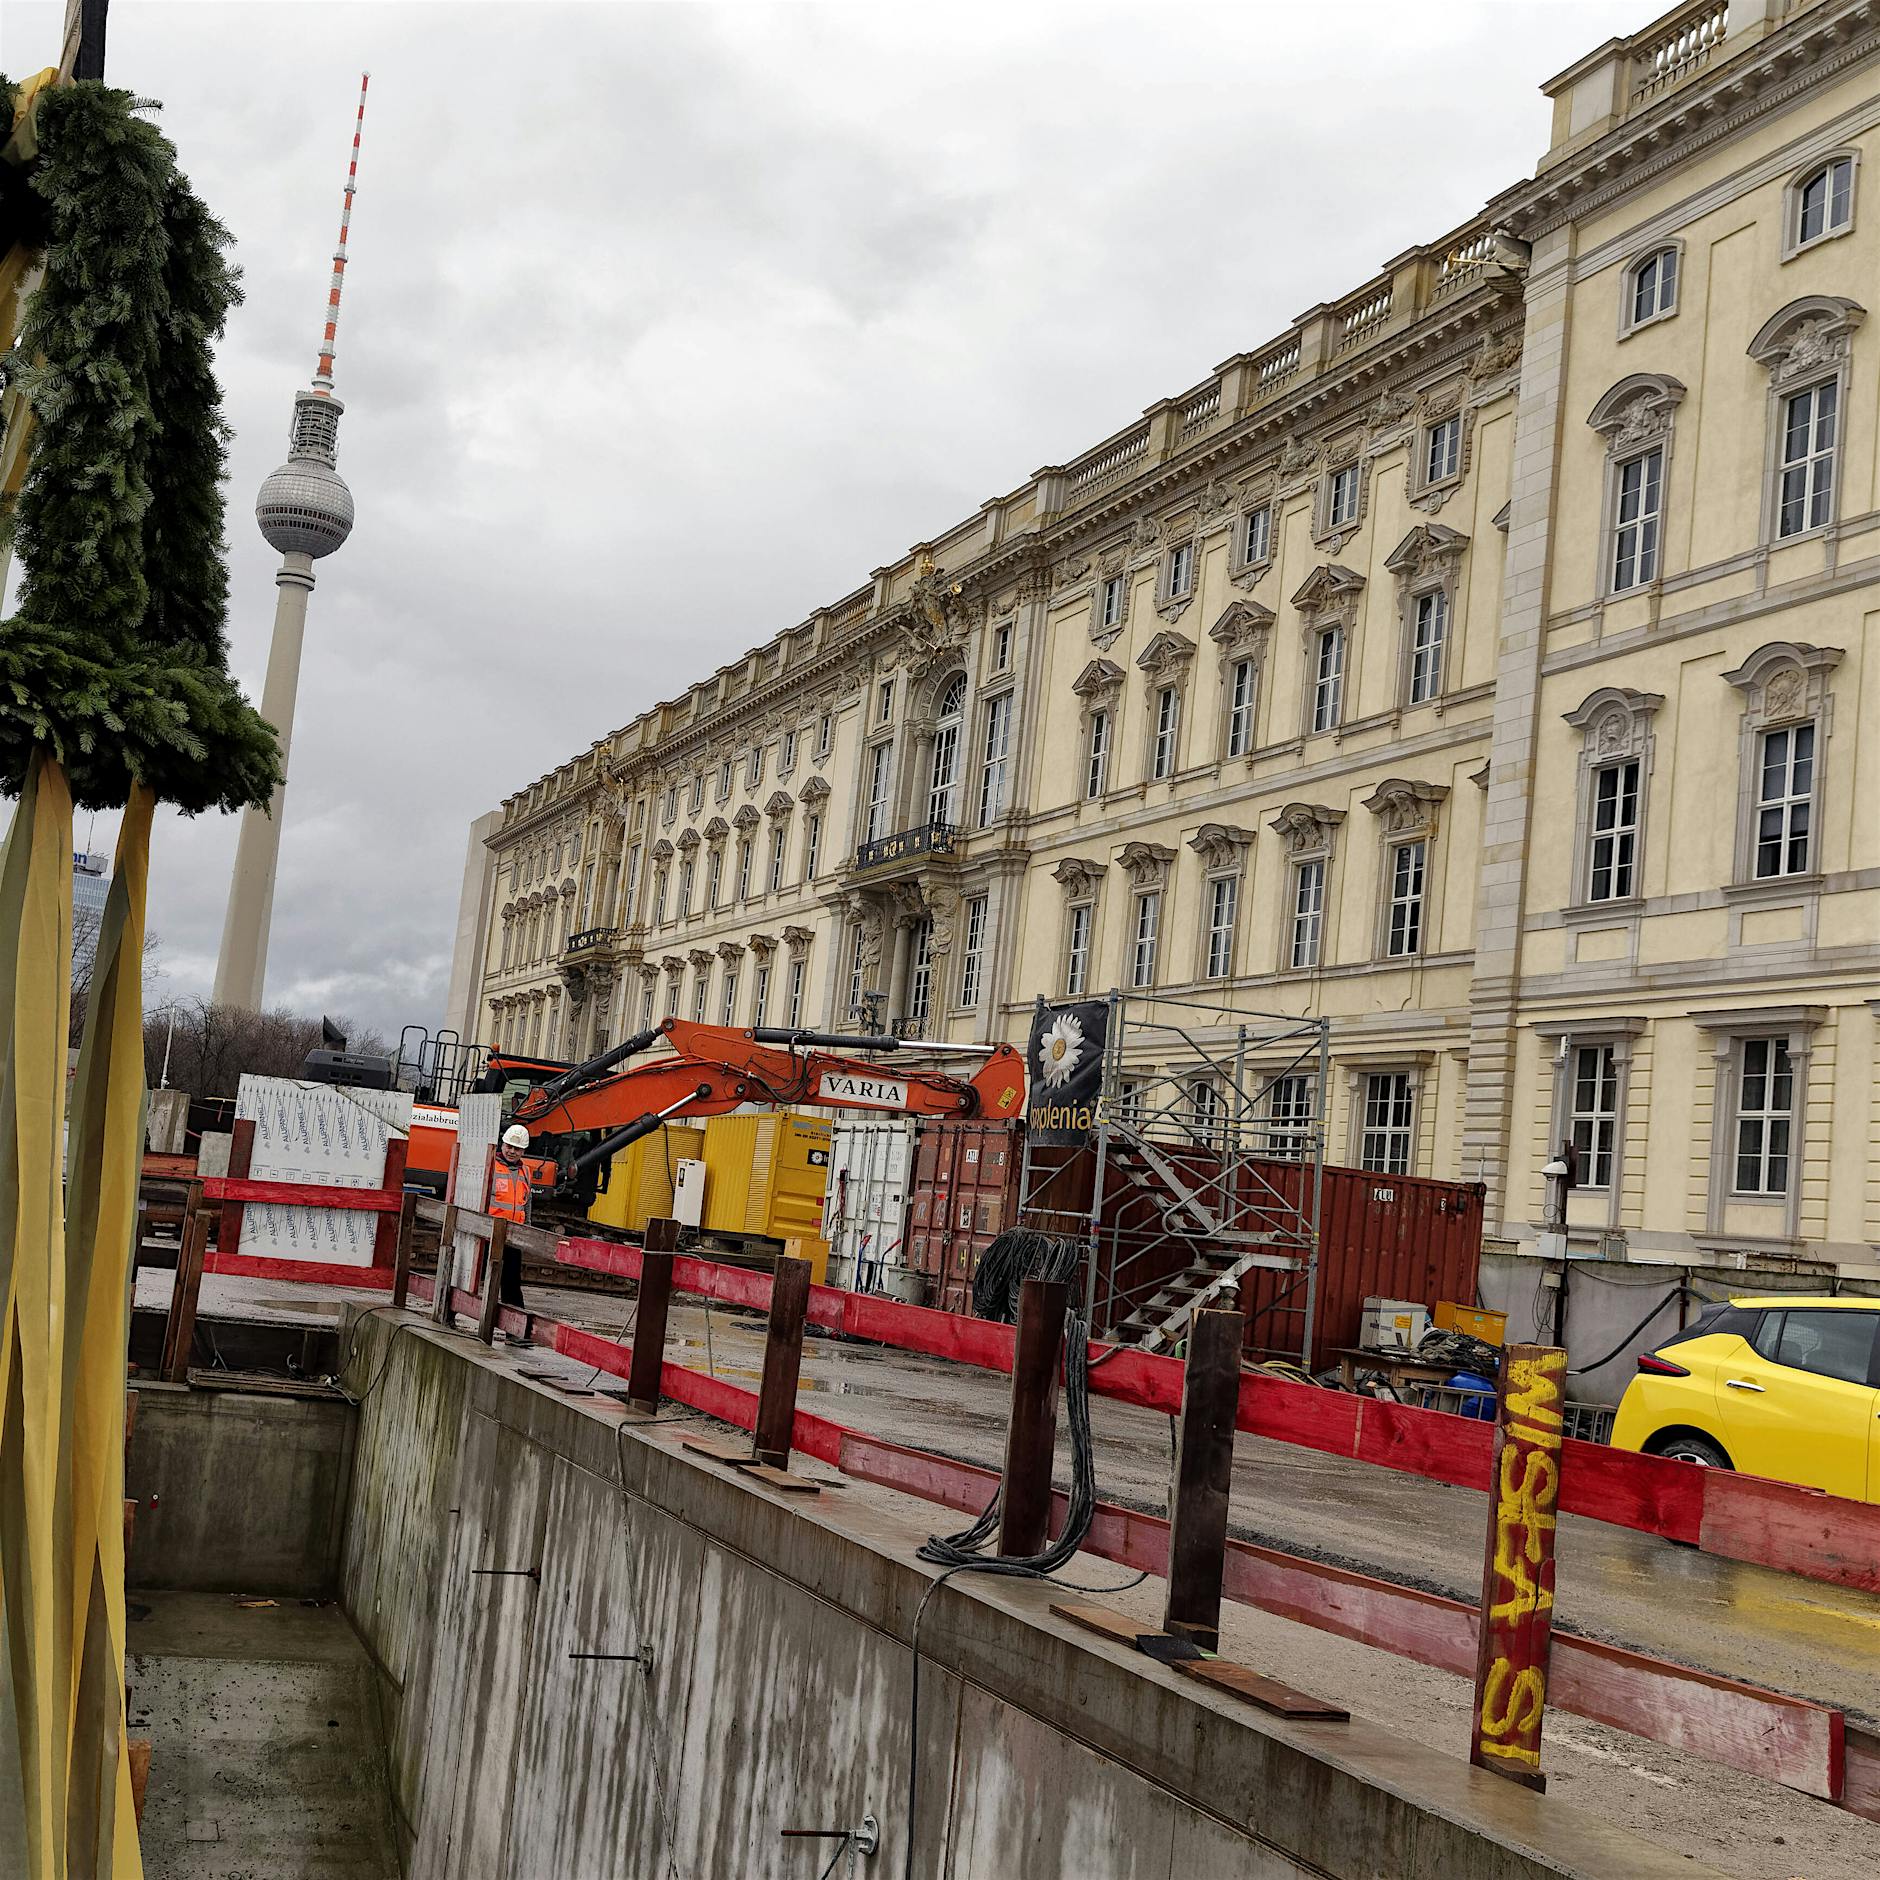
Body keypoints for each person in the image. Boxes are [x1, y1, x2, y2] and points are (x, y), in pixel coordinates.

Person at [489, 1124, 534, 1320]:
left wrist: (527, 1229)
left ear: (523, 1150)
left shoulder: (526, 1171)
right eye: (509, 1146)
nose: (512, 1151)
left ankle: (514, 1328)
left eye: (517, 1149)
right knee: (475, 1278)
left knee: (512, 1281)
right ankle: (450, 1314)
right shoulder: (490, 1166)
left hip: (514, 1235)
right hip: (489, 1232)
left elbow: (527, 1201)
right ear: (503, 1144)